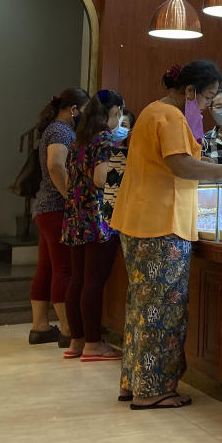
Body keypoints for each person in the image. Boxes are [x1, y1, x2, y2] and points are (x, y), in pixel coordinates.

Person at [111, 60, 222, 410]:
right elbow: (182, 165)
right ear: (189, 91)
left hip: (140, 220)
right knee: (161, 313)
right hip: (161, 225)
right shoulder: (172, 117)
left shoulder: (151, 111)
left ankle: (135, 382)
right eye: (207, 97)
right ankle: (151, 390)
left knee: (142, 309)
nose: (208, 106)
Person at [61, 89, 126, 362]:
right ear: (117, 111)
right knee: (93, 282)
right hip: (99, 218)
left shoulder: (80, 140)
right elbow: (101, 179)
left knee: (77, 279)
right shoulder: (106, 139)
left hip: (76, 216)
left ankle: (76, 340)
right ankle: (93, 343)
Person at [28, 87, 89, 346]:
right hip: (56, 208)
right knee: (63, 267)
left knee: (47, 267)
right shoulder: (62, 131)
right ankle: (67, 329)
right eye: (84, 112)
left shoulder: (53, 128)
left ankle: (40, 326)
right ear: (73, 110)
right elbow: (55, 165)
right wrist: (70, 197)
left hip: (44, 208)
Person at [101, 108, 135, 221]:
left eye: (124, 125)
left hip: (119, 214)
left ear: (130, 131)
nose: (119, 127)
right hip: (98, 212)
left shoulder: (130, 156)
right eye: (117, 123)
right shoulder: (101, 150)